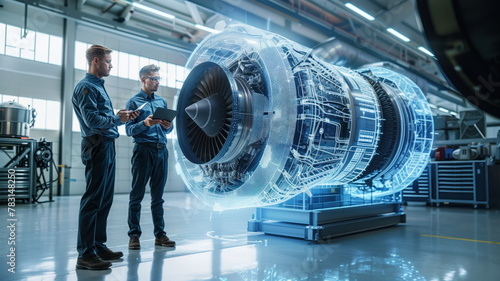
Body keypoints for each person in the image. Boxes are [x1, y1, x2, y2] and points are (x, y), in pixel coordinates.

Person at [72, 44, 138, 270]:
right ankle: (85, 254)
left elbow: (101, 117)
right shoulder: (86, 88)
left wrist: (120, 117)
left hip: (106, 145)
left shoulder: (98, 87)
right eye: (108, 61)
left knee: (104, 200)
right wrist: (117, 119)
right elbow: (92, 121)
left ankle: (98, 246)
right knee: (93, 200)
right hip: (97, 145)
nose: (111, 65)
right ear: (96, 61)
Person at [125, 64, 176, 250]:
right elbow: (129, 130)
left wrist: (167, 126)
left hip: (161, 150)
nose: (157, 82)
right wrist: (145, 124)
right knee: (136, 195)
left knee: (158, 197)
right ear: (143, 79)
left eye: (158, 78)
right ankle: (134, 236)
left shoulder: (162, 102)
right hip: (143, 151)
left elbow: (170, 128)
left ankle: (160, 235)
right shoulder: (133, 102)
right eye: (153, 78)